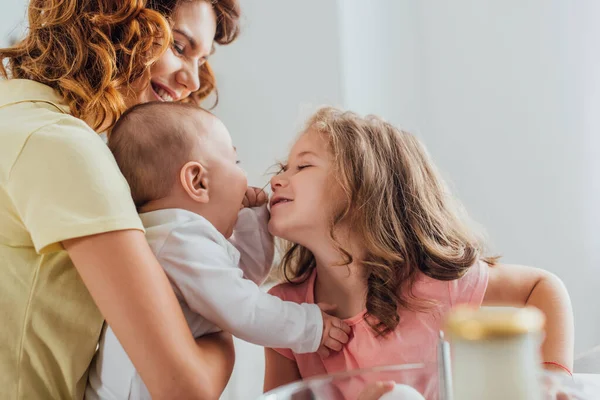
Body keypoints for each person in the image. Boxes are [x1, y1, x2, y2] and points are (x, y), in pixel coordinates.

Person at [0, 0, 246, 398]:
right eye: (180, 47)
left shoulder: (16, 113)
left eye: (202, 59)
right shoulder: (64, 148)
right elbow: (186, 388)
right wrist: (223, 318)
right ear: (117, 24)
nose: (194, 81)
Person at [263, 107, 574, 398]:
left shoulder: (437, 289)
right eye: (282, 168)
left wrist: (549, 382)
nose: (276, 180)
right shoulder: (284, 311)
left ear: (364, 187)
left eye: (302, 166)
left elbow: (542, 287)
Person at [86, 101, 351, 399]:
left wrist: (253, 219)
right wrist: (309, 327)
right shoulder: (180, 238)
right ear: (197, 181)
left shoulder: (174, 235)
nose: (246, 174)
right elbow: (241, 307)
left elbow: (240, 279)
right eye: (235, 162)